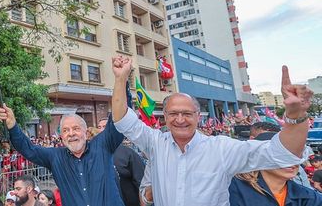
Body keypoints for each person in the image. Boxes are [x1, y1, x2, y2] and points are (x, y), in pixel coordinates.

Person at [112, 55, 312, 206]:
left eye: (187, 114)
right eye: (173, 114)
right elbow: (122, 119)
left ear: (198, 116)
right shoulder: (155, 143)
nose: (180, 120)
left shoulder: (222, 148)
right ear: (165, 116)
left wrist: (296, 115)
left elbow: (283, 153)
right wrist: (121, 79)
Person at [0, 56, 132, 206]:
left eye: (75, 128)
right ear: (61, 137)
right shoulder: (55, 157)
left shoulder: (103, 145)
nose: (71, 133)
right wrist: (12, 125)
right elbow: (28, 149)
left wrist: (121, 80)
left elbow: (120, 117)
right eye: (66, 130)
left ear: (86, 132)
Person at [229, 132, 322, 205]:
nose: (291, 160)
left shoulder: (308, 196)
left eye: (295, 154)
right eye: (280, 155)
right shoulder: (232, 190)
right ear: (259, 156)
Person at [97, 118, 145, 206]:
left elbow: (141, 181)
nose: (101, 130)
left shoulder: (127, 153)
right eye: (99, 127)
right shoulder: (94, 154)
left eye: (105, 127)